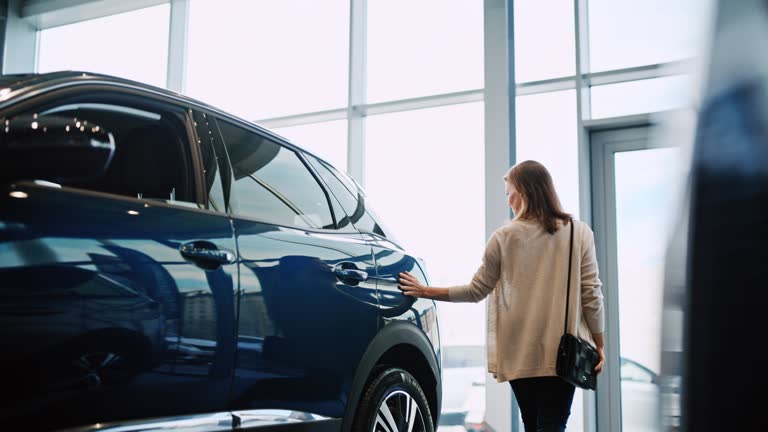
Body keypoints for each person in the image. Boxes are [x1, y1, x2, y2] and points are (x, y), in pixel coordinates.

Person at [399, 160, 605, 432]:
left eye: (509, 192)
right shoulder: (578, 233)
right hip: (563, 351)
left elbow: (475, 291)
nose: (508, 200)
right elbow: (591, 292)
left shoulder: (503, 238)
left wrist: (426, 291)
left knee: (532, 424)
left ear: (524, 191)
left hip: (519, 350)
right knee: (552, 424)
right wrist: (599, 342)